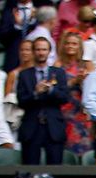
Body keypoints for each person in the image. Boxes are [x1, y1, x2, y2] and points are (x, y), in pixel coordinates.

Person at [15, 37, 69, 165]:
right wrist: (35, 93)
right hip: (32, 127)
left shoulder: (59, 73)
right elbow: (21, 101)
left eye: (44, 49)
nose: (41, 52)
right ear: (33, 52)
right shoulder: (24, 75)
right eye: (38, 49)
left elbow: (65, 98)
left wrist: (51, 91)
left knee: (55, 168)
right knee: (30, 169)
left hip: (53, 127)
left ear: (49, 51)